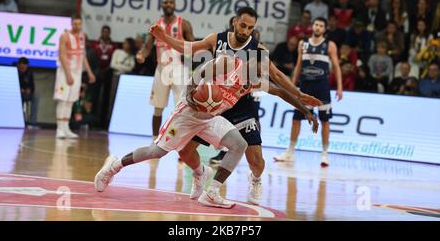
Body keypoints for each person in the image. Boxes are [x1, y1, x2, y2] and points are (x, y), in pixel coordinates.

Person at [94, 47, 318, 209]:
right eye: (260, 66)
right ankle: (112, 167)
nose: (262, 72)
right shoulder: (228, 63)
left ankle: (211, 191)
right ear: (250, 61)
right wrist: (193, 95)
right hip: (187, 113)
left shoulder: (254, 81)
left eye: (263, 69)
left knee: (238, 144)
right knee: (157, 152)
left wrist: (305, 110)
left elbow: (279, 91)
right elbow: (196, 75)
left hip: (210, 118)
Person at [144, 7, 321, 205]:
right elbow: (187, 47)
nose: (246, 31)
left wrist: (299, 95)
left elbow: (277, 77)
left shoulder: (258, 50)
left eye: (250, 28)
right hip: (214, 104)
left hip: (242, 105)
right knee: (185, 151)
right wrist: (164, 37)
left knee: (256, 162)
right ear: (235, 22)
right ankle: (200, 174)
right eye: (243, 26)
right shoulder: (217, 39)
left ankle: (255, 179)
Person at [274, 17, 343, 167]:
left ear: (324, 29)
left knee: (325, 120)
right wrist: (291, 86)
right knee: (296, 118)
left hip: (322, 86)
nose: (318, 28)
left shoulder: (329, 45)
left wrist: (339, 87)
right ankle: (290, 152)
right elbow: (298, 65)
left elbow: (336, 67)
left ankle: (325, 154)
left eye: (321, 26)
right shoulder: (302, 43)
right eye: (316, 25)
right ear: (313, 27)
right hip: (305, 85)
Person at [136, 0, 195, 139]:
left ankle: (178, 139)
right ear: (161, 5)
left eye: (171, 2)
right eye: (165, 2)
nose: (168, 4)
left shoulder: (184, 24)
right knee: (158, 107)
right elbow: (147, 46)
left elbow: (193, 46)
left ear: (175, 5)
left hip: (179, 69)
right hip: (161, 69)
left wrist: (188, 56)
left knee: (181, 108)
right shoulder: (156, 25)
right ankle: (155, 140)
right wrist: (141, 55)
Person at [54, 16, 96, 139]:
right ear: (71, 24)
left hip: (77, 73)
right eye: (75, 24)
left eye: (79, 24)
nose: (77, 26)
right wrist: (68, 74)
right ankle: (59, 128)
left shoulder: (82, 36)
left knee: (71, 100)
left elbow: (83, 56)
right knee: (62, 99)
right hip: (65, 71)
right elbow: (62, 56)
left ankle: (66, 128)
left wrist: (89, 72)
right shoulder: (64, 36)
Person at [17, 57, 38, 127]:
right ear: (18, 65)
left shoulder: (29, 73)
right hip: (17, 94)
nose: (22, 67)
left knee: (35, 96)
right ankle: (21, 121)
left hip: (26, 94)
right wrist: (20, 89)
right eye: (21, 65)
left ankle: (32, 122)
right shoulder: (14, 71)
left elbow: (32, 86)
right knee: (19, 98)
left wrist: (29, 90)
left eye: (24, 65)